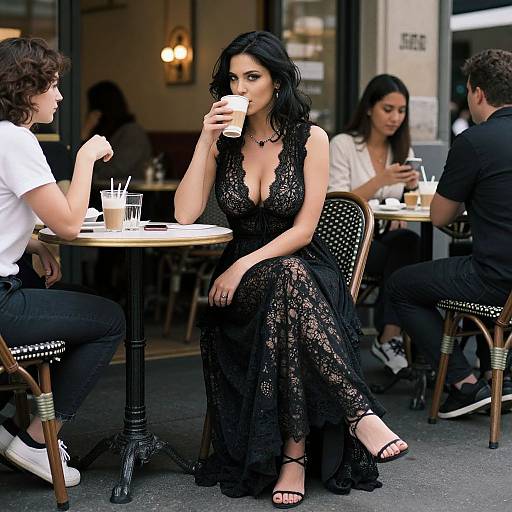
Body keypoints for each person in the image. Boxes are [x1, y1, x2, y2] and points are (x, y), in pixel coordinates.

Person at [174, 31, 408, 508]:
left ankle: (295, 456)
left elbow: (304, 232)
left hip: (299, 265)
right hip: (240, 288)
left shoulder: (312, 138)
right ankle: (354, 415)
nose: (240, 88)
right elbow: (184, 213)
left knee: (289, 278)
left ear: (277, 81)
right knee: (285, 282)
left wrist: (244, 264)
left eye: (252, 77)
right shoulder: (223, 141)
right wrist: (205, 138)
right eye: (233, 79)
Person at [0, 37, 125, 486]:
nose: (59, 95)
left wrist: (31, 244)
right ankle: (36, 440)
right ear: (25, 90)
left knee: (72, 309)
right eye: (51, 86)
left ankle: (12, 428)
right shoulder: (15, 140)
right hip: (1, 306)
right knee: (109, 319)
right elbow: (70, 225)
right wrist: (87, 156)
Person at [387, 49, 512, 419]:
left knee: (400, 285)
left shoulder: (474, 141)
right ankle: (498, 375)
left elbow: (440, 216)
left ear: (477, 94)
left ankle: (463, 382)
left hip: (494, 279)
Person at [328, 74, 420, 376]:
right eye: (388, 109)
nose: (395, 118)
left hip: (382, 240)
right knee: (405, 251)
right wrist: (381, 180)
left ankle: (390, 336)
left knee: (408, 242)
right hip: (346, 241)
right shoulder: (343, 144)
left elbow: (403, 201)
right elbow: (336, 202)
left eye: (401, 111)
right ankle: (390, 337)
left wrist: (411, 191)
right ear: (369, 108)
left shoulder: (401, 149)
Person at [81, 80, 152, 180]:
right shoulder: (105, 130)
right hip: (106, 189)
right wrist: (86, 131)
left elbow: (117, 169)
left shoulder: (132, 132)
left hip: (127, 191)